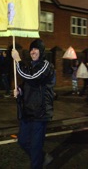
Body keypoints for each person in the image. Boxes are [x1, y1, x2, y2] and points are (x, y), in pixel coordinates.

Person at [11, 39, 55, 169]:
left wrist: (18, 60)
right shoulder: (30, 66)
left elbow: (32, 77)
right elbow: (28, 85)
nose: (32, 52)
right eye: (31, 49)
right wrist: (19, 91)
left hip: (40, 113)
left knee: (35, 147)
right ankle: (41, 157)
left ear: (41, 51)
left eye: (35, 49)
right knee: (23, 141)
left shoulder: (47, 66)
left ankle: (37, 161)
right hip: (28, 111)